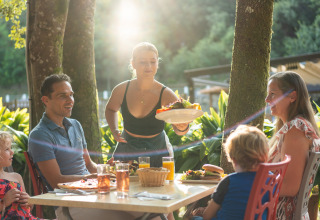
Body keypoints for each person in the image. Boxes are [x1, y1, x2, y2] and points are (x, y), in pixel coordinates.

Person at [28, 74, 144, 220]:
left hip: (94, 194)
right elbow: (56, 181)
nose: (70, 100)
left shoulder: (75, 125)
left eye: (71, 95)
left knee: (152, 212)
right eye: (62, 96)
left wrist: (105, 170)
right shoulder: (40, 135)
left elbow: (89, 164)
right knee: (132, 216)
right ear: (46, 100)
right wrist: (88, 178)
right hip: (69, 203)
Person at [105, 42, 190, 167]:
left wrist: (183, 127)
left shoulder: (166, 94)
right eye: (142, 62)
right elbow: (111, 109)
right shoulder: (121, 89)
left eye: (152, 61)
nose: (148, 66)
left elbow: (180, 130)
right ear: (133, 63)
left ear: (157, 63)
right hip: (126, 149)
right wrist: (114, 130)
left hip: (157, 151)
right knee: (122, 186)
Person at [265, 71, 320, 219]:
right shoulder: (295, 127)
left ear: (292, 96)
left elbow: (290, 187)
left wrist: (249, 187)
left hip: (277, 213)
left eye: (273, 94)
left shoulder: (296, 128)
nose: (267, 99)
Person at [190, 125, 269, 220]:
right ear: (264, 155)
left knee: (192, 218)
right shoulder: (270, 179)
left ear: (233, 159)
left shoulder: (228, 182)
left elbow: (207, 216)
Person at [0, 131, 42, 219]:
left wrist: (29, 201)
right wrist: (4, 202)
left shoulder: (16, 177)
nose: (12, 152)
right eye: (7, 149)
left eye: (11, 148)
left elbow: (29, 207)